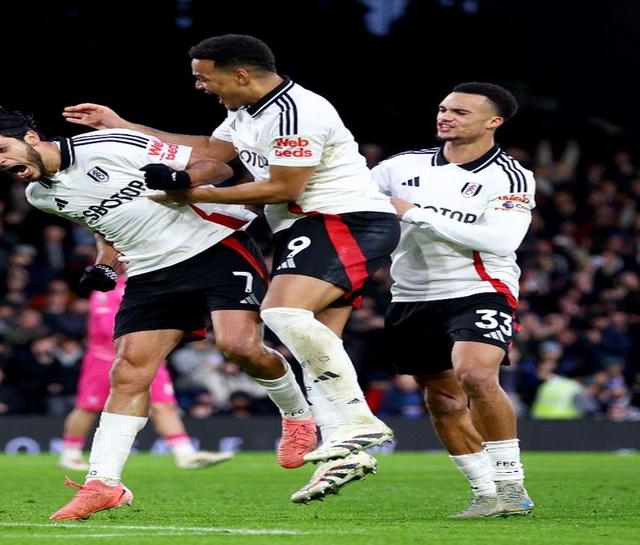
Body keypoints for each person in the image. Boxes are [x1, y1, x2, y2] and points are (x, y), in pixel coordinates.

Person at [63, 34, 400, 503]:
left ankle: (357, 423)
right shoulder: (247, 112)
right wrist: (124, 125)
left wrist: (192, 193)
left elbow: (282, 187)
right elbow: (212, 150)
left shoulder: (296, 112)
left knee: (282, 315)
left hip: (342, 221)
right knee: (314, 344)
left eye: (205, 77)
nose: (201, 87)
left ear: (241, 74)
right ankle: (344, 450)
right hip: (305, 230)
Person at [0, 107, 313, 520]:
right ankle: (103, 483)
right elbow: (102, 223)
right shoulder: (40, 196)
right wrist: (105, 262)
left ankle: (298, 416)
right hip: (148, 270)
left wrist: (181, 179)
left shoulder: (107, 143)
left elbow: (215, 164)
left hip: (214, 244)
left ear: (31, 138)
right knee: (127, 370)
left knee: (239, 345)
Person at [371, 82, 535, 518]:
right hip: (411, 296)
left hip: (478, 287)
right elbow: (348, 203)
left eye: (461, 112)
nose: (446, 117)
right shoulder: (400, 167)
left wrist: (417, 214)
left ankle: (511, 485)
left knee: (476, 374)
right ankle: (485, 493)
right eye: (444, 109)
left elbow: (503, 239)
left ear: (493, 122)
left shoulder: (509, 176)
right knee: (441, 400)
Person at [59, 276, 233, 471]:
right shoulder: (109, 286)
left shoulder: (152, 281)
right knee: (88, 406)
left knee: (164, 405)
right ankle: (70, 453)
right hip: (105, 358)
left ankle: (185, 454)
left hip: (149, 355)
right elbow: (109, 327)